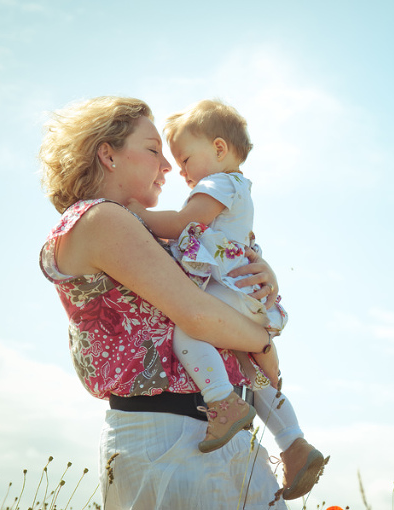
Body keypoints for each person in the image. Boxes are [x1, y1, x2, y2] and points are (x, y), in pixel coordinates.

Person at [38, 96, 304, 508]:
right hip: (166, 436)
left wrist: (255, 266)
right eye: (153, 150)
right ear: (108, 154)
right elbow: (195, 313)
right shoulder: (101, 218)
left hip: (212, 430)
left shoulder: (144, 230)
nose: (168, 166)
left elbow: (210, 269)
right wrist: (263, 344)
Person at [127, 99, 325, 500]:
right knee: (249, 369)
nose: (179, 171)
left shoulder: (216, 184)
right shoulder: (237, 188)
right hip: (244, 294)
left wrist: (137, 215)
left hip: (228, 291)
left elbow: (184, 225)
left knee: (189, 334)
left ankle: (222, 404)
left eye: (184, 159)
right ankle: (294, 443)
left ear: (218, 149)